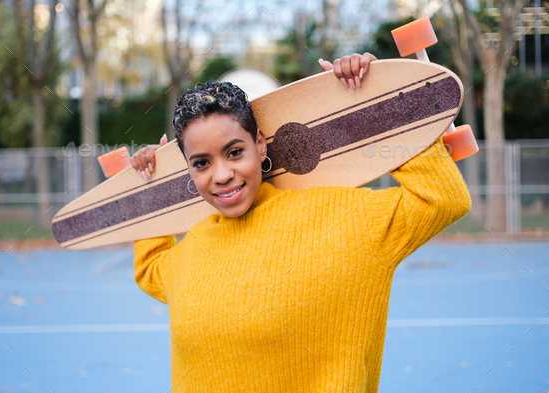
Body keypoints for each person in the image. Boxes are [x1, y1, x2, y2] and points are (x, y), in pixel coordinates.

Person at [130, 53, 472, 392]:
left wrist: (379, 99)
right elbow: (149, 267)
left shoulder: (343, 219)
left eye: (234, 152)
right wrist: (151, 188)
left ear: (260, 145)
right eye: (201, 163)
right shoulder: (192, 251)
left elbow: (442, 199)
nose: (221, 175)